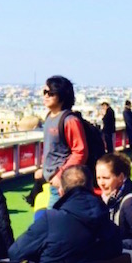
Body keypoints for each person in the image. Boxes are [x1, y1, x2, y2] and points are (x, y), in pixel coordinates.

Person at [8, 165, 121, 263]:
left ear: (61, 191)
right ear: (92, 188)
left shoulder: (50, 220)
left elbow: (15, 253)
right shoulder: (108, 221)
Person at [36, 76, 87, 209]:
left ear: (62, 96)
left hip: (61, 183)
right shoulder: (49, 117)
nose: (46, 96)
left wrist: (61, 176)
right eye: (45, 92)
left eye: (51, 93)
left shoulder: (69, 120)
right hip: (51, 180)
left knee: (53, 222)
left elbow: (80, 151)